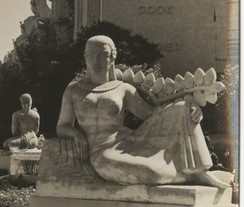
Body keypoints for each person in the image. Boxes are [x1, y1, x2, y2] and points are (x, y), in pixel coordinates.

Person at [54, 35, 231, 188]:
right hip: (101, 153)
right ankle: (188, 175)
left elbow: (153, 115)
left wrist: (190, 108)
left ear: (112, 58)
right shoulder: (74, 90)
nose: (96, 61)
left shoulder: (122, 88)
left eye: (103, 55)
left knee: (183, 108)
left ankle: (199, 171)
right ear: (85, 57)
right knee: (152, 174)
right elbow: (62, 126)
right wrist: (75, 134)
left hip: (129, 143)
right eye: (91, 55)